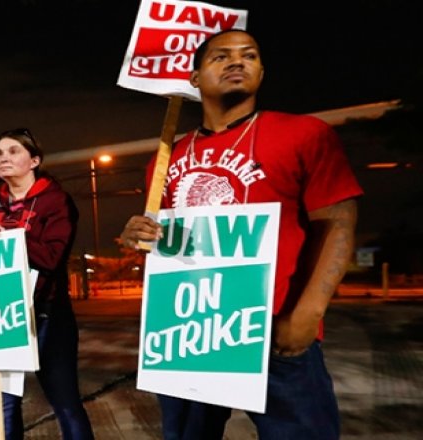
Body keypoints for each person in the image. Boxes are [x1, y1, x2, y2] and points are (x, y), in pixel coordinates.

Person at [120, 29, 361, 439]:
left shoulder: (303, 134)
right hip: (189, 334)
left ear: (262, 72)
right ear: (194, 79)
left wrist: (307, 314)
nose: (236, 62)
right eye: (220, 57)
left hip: (274, 334)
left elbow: (338, 221)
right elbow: (165, 245)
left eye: (248, 55)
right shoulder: (166, 158)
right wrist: (137, 235)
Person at [0, 128, 95, 440]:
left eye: (13, 151)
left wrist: (6, 235)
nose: (3, 158)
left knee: (64, 401)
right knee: (5, 402)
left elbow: (52, 257)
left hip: (48, 314)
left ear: (34, 160)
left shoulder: (56, 201)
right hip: (2, 313)